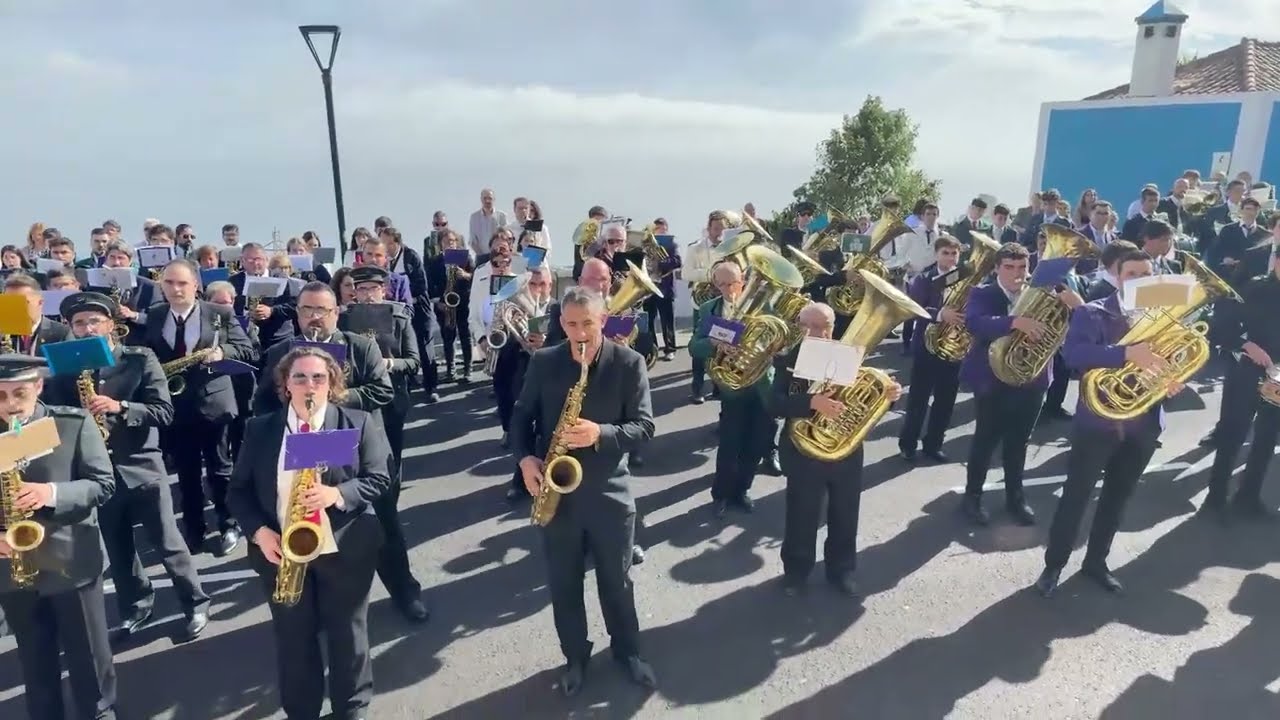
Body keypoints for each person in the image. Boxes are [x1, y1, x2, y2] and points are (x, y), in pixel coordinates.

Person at [226, 346, 391, 720]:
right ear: (285, 384)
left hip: (344, 548)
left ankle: (352, 709)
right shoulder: (261, 429)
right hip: (281, 551)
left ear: (332, 383)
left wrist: (338, 493)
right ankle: (302, 711)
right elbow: (237, 492)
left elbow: (380, 478)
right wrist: (258, 533)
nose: (309, 384)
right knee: (293, 640)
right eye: (299, 377)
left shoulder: (356, 422)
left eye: (319, 377)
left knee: (348, 635)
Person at [511, 286, 657, 697]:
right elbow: (520, 415)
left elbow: (644, 427)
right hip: (558, 497)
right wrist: (524, 459)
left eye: (587, 324)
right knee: (564, 585)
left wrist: (600, 433)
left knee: (618, 582)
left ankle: (628, 652)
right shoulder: (544, 361)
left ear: (604, 320)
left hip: (610, 495)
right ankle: (575, 658)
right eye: (571, 324)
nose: (579, 333)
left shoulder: (629, 362)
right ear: (561, 323)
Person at [42, 292, 210, 643]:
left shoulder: (139, 358)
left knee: (167, 541)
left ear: (111, 326)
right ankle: (137, 605)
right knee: (118, 549)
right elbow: (52, 418)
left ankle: (195, 601)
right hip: (95, 475)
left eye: (94, 321)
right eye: (79, 323)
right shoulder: (64, 370)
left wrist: (120, 406)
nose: (87, 328)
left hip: (141, 466)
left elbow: (163, 412)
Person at [1035, 249, 1173, 597]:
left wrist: (1175, 378)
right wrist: (1125, 353)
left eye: (1147, 273)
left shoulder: (1165, 316)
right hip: (1098, 423)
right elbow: (1075, 356)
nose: (1140, 280)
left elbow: (1182, 358)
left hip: (1142, 426)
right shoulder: (1091, 312)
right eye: (1132, 274)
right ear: (1117, 275)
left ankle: (1096, 562)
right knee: (1075, 497)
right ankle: (1054, 566)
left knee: (1117, 499)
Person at [0, 354, 118, 720]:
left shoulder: (71, 423)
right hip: (12, 570)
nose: (10, 405)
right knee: (35, 663)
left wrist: (49, 493)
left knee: (89, 660)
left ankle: (99, 713)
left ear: (38, 386)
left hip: (71, 563)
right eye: (0, 396)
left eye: (19, 393)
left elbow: (103, 484)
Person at [771, 302, 901, 598]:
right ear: (800, 327)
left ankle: (841, 570)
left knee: (845, 513)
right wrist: (810, 403)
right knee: (802, 514)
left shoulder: (850, 357)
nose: (820, 332)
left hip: (845, 450)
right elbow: (774, 404)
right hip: (803, 451)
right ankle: (796, 571)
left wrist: (890, 396)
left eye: (825, 326)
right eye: (812, 326)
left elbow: (868, 401)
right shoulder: (787, 360)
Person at [136, 259, 256, 556]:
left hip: (213, 400)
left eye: (182, 284)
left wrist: (221, 352)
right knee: (186, 473)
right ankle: (193, 527)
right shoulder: (155, 315)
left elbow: (249, 350)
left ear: (196, 286)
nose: (175, 290)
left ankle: (229, 523)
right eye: (169, 283)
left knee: (219, 469)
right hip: (174, 406)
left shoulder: (219, 314)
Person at [959, 243, 1083, 526]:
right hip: (993, 379)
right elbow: (976, 323)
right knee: (985, 440)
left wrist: (1074, 308)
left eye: (1022, 267)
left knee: (1019, 442)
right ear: (996, 268)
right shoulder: (983, 293)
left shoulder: (1046, 295)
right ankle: (972, 497)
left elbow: (1073, 328)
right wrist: (1015, 322)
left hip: (1033, 378)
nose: (1016, 273)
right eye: (1009, 267)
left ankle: (1015, 498)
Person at [689, 261, 774, 516]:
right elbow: (695, 346)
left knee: (757, 442)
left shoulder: (762, 304)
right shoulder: (708, 310)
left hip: (759, 383)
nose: (729, 289)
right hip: (731, 385)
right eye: (722, 284)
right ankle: (721, 495)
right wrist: (715, 342)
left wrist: (754, 347)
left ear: (743, 281)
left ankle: (742, 490)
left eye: (734, 282)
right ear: (716, 284)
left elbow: (775, 337)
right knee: (729, 444)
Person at [1201, 247, 1280, 522]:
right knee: (1233, 434)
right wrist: (1247, 345)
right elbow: (1220, 327)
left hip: (1278, 378)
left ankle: (1249, 496)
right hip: (1246, 371)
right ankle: (1216, 495)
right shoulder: (1253, 288)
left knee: (1267, 439)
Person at [899, 235, 964, 463]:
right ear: (936, 254)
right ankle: (908, 444)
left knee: (945, 403)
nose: (949, 257)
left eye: (954, 253)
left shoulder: (965, 279)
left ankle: (933, 444)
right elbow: (914, 308)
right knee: (918, 400)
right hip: (926, 347)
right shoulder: (924, 279)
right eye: (945, 253)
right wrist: (940, 314)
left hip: (954, 349)